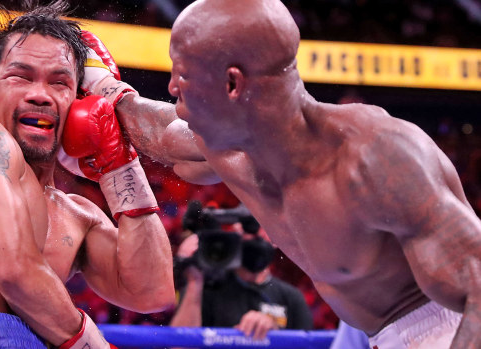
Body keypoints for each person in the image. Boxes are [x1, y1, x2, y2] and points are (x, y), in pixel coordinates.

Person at [72, 0, 481, 347]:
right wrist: (101, 82)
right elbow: (162, 131)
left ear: (233, 84)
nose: (174, 86)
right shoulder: (237, 149)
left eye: (183, 73)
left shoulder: (378, 158)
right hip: (373, 333)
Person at [0, 2, 174, 349]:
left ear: (78, 100)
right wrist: (91, 344)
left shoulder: (78, 214)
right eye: (20, 76)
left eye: (59, 82)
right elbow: (16, 273)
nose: (40, 95)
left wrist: (122, 164)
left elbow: (152, 292)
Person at [169, 202, 313, 341]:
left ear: (275, 239)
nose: (252, 239)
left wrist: (274, 337)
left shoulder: (291, 297)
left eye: (259, 232)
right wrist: (194, 280)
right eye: (245, 232)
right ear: (234, 236)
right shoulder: (207, 287)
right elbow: (180, 346)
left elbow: (308, 346)